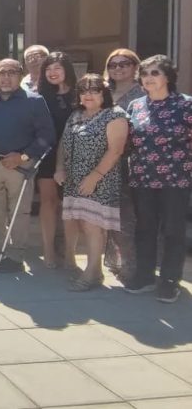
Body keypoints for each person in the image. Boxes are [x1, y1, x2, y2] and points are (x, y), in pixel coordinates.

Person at [0, 58, 56, 273]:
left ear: (20, 75)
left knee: (20, 212)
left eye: (11, 72)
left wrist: (23, 156)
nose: (6, 77)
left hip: (20, 167)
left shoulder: (34, 101)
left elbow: (47, 136)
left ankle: (16, 256)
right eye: (1, 72)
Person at [123, 55, 192, 303]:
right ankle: (145, 276)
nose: (148, 78)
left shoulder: (185, 105)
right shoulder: (136, 106)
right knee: (145, 229)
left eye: (155, 73)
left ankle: (170, 280)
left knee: (173, 231)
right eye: (144, 74)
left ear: (167, 77)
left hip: (176, 180)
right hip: (142, 179)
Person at [55, 74, 129, 291]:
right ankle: (94, 272)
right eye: (83, 91)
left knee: (92, 226)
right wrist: (59, 167)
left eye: (94, 90)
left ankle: (91, 273)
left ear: (103, 93)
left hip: (99, 180)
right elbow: (63, 143)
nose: (88, 95)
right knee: (80, 222)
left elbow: (116, 150)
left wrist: (94, 177)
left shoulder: (115, 115)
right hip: (74, 179)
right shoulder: (76, 115)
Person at [102, 48, 144, 281]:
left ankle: (132, 265)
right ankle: (118, 261)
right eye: (113, 65)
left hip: (132, 162)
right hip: (103, 161)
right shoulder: (103, 92)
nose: (118, 68)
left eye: (124, 63)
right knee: (110, 216)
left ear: (135, 66)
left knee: (129, 216)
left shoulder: (143, 92)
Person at [35, 52, 77, 268]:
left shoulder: (80, 94)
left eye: (57, 68)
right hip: (47, 154)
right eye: (48, 69)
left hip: (76, 154)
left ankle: (71, 253)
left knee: (71, 206)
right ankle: (48, 251)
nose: (52, 73)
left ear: (67, 70)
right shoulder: (39, 95)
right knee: (48, 202)